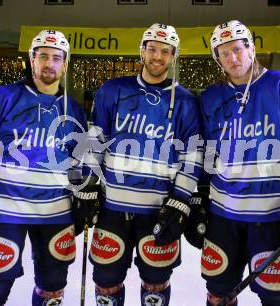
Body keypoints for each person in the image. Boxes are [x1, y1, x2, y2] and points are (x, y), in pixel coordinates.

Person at [189, 20, 280, 306]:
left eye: (238, 49)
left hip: (273, 219)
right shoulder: (212, 97)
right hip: (223, 217)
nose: (233, 58)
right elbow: (203, 153)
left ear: (251, 48)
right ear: (217, 59)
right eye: (224, 53)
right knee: (218, 293)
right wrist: (197, 199)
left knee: (276, 298)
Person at [0, 29, 87, 305]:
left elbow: (78, 159)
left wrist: (84, 192)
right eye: (43, 56)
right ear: (32, 59)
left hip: (55, 212)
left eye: (57, 58)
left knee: (53, 286)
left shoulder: (72, 108)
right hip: (4, 209)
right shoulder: (4, 97)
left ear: (65, 64)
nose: (50, 64)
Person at [74, 23, 203, 306]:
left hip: (160, 211)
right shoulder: (112, 90)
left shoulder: (186, 102)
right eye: (152, 49)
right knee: (106, 283)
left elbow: (193, 155)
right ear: (142, 51)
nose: (158, 57)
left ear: (173, 56)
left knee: (155, 282)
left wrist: (181, 200)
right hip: (112, 208)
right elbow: (95, 140)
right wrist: (88, 184)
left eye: (165, 51)